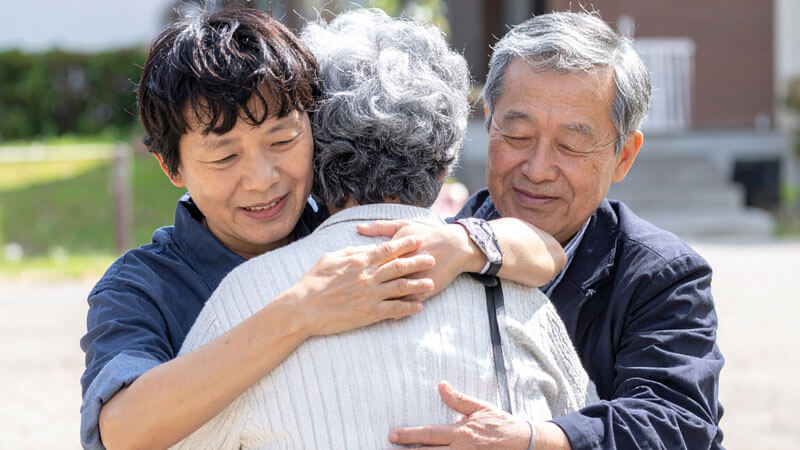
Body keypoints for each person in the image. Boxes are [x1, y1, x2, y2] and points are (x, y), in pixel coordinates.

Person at [79, 6, 565, 450]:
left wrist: (464, 243)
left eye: (283, 140)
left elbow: (545, 252)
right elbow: (122, 430)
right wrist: (300, 311)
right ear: (173, 167)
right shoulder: (144, 285)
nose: (262, 179)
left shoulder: (344, 223)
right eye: (225, 157)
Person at [389, 11, 725, 450]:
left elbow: (677, 421)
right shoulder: (435, 250)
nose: (538, 169)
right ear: (489, 121)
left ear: (624, 156)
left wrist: (535, 438)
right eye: (517, 134)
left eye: (571, 145)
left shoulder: (660, 277)